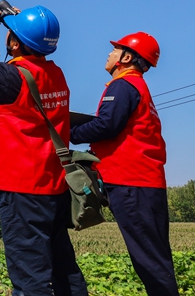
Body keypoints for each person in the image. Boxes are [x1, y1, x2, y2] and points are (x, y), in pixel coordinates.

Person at [0, 4, 87, 296]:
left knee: (29, 275)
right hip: (54, 184)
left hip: (22, 187)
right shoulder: (55, 73)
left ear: (15, 42)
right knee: (63, 267)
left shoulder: (11, 77)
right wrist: (20, 23)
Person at [70, 33, 178, 296]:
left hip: (132, 184)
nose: (109, 54)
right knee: (155, 256)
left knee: (149, 260)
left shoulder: (123, 85)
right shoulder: (137, 86)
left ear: (126, 58)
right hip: (144, 182)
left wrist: (68, 134)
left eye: (115, 49)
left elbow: (107, 125)